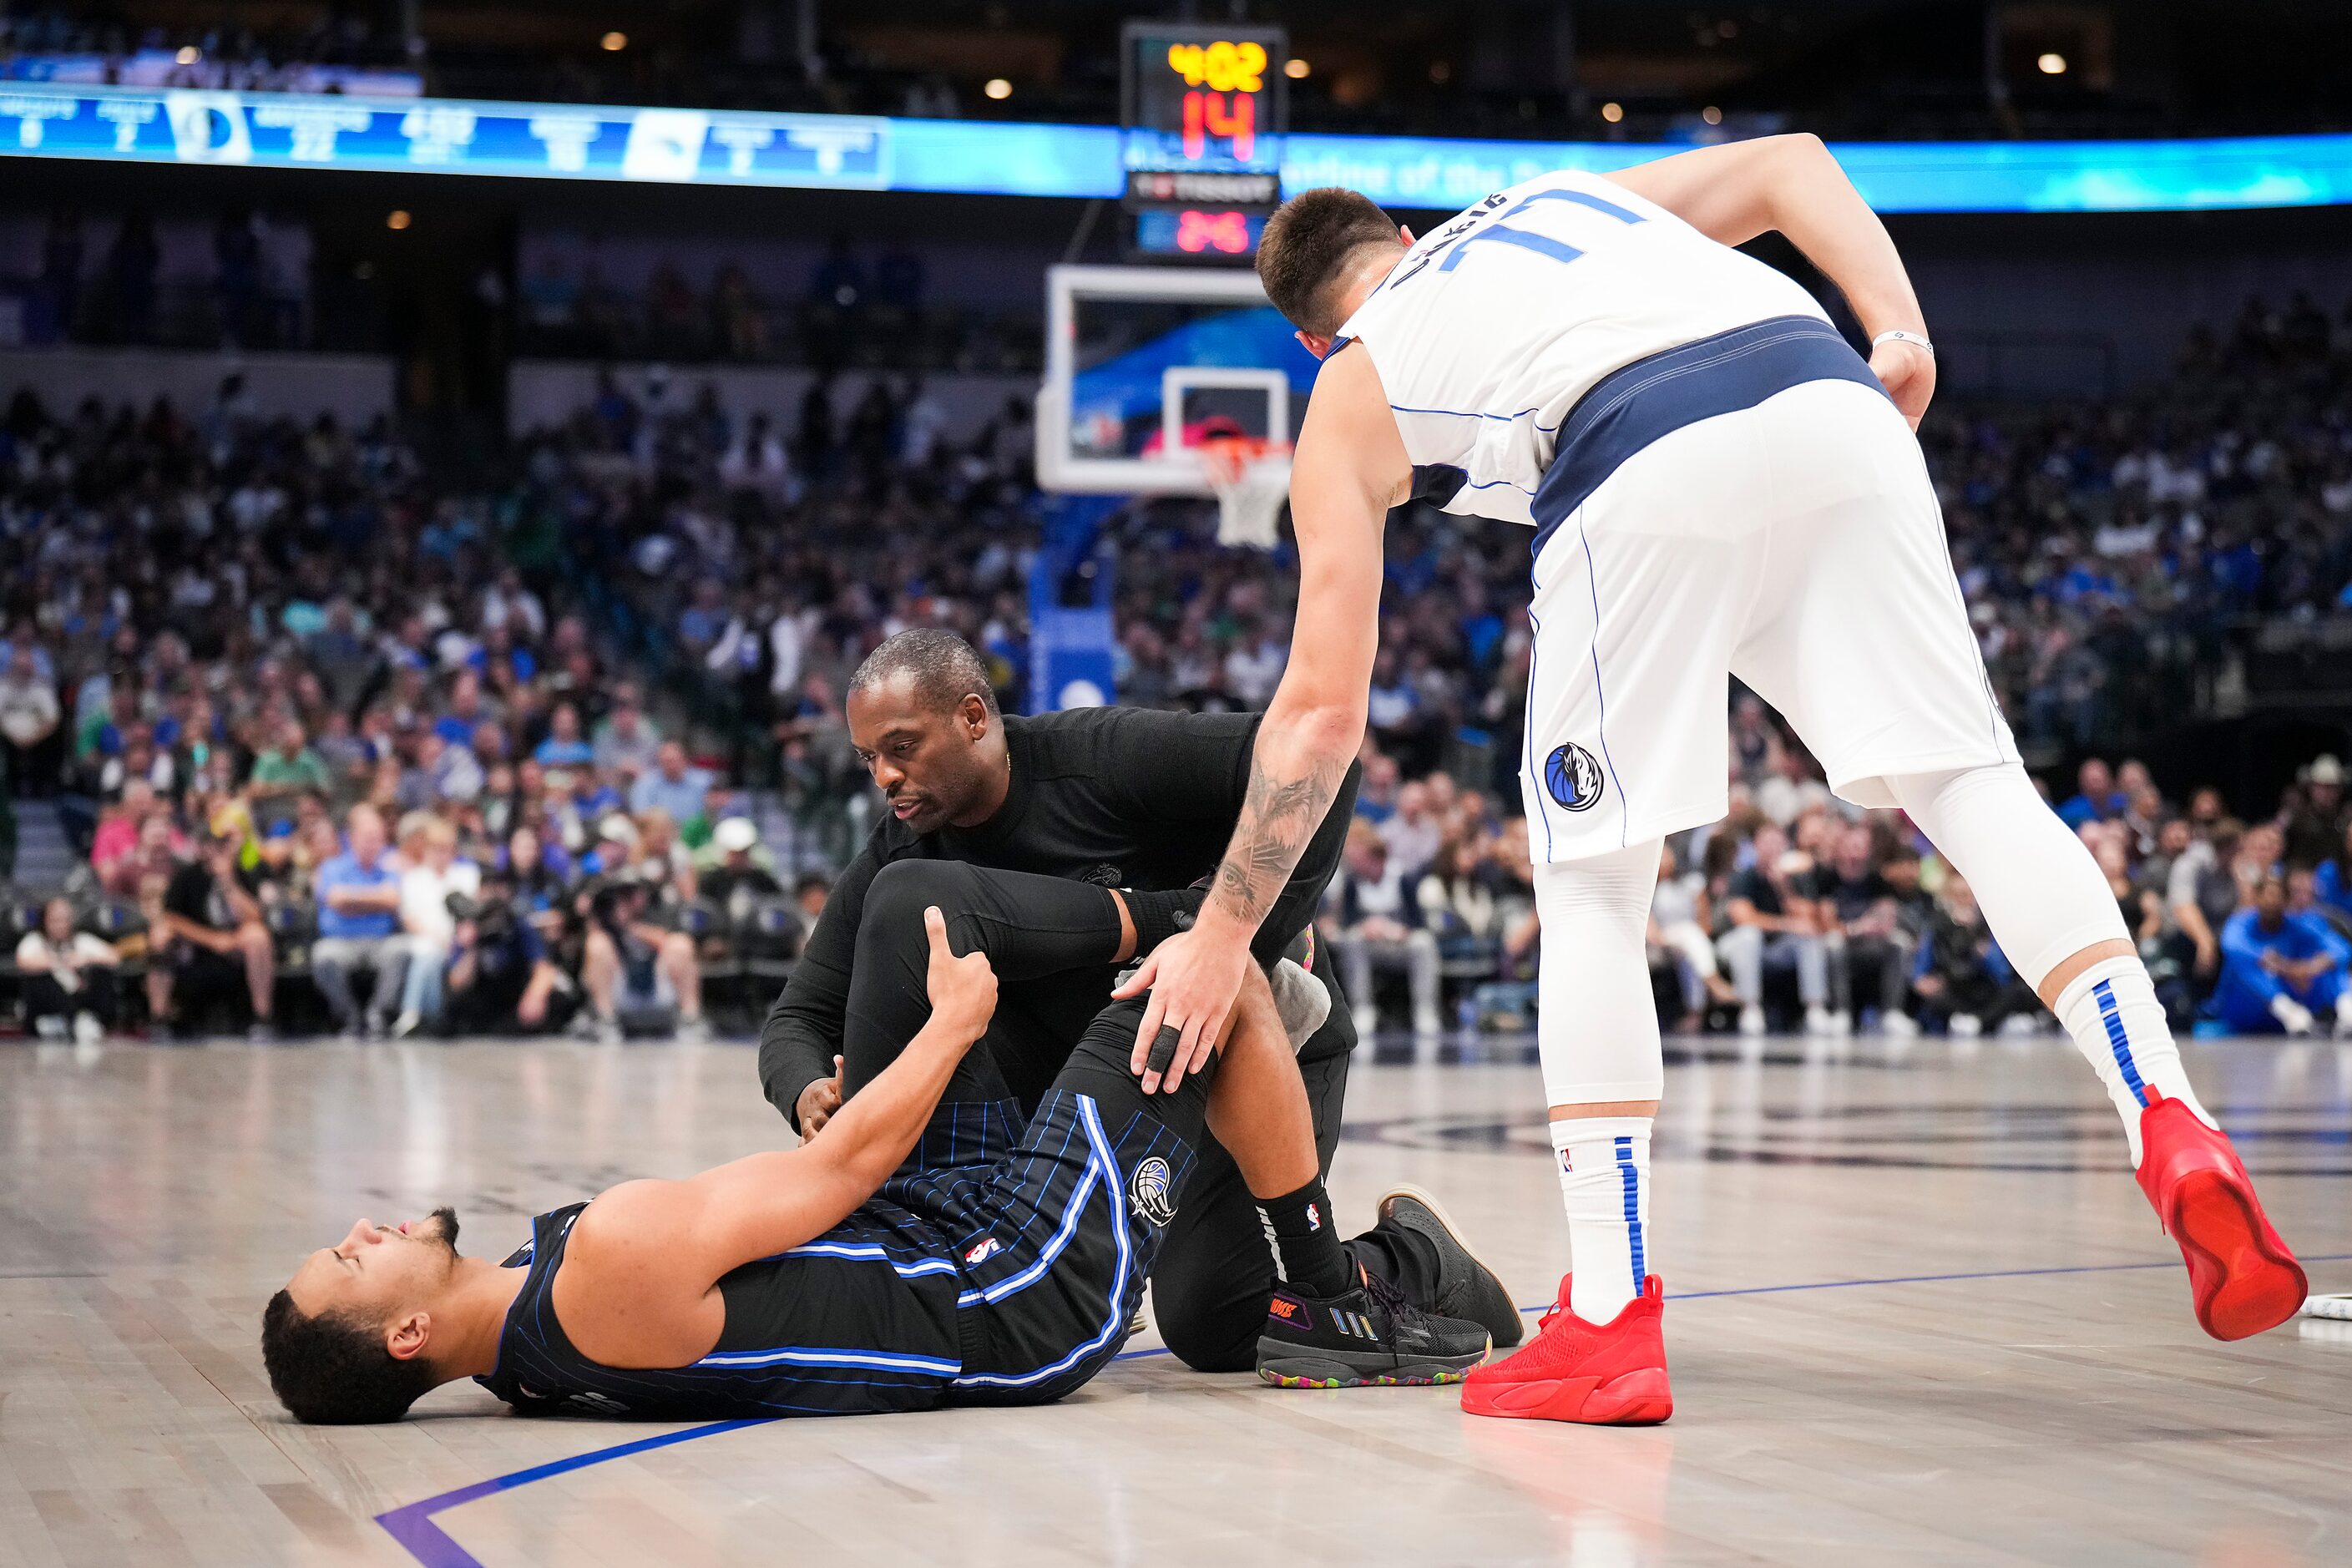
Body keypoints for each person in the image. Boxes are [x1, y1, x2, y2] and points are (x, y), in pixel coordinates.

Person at [1131, 140, 2309, 1427]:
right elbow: (1794, 164)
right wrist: (1899, 328)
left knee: (1588, 889)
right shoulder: (1552, 202)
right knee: (1973, 786)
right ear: (1409, 239)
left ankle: (1609, 1315)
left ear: (1311, 337)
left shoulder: (1354, 383)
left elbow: (1317, 709)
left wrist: (1224, 931)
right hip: (1831, 398)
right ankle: (2165, 1111)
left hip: (1638, 459)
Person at [262, 900, 1485, 1424]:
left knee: (920, 920)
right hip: (1014, 1289)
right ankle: (1340, 1289)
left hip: (940, 1233)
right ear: (405, 1335)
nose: (359, 1231)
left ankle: (1279, 1128)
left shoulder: (529, 1340)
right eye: (347, 1261)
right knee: (1197, 969)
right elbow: (836, 1177)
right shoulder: (597, 1269)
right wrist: (951, 1024)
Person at [759, 630, 1517, 1383]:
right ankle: (978, 1241)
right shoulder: (897, 852)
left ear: (972, 717)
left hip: (1249, 1046)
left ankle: (1415, 1254)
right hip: (1111, 1076)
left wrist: (1225, 941)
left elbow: (1322, 765)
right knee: (1225, 1331)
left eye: (902, 746)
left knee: (1217, 1321)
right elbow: (798, 1017)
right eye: (869, 760)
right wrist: (808, 1093)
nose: (885, 777)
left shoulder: (1100, 756)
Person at [1327, 818, 1444, 1039]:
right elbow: (1347, 921)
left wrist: (1397, 930)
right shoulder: (1354, 882)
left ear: (1376, 859)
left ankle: (1425, 1009)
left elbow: (1418, 922)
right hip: (1371, 945)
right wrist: (1365, 926)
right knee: (1352, 940)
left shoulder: (1403, 879)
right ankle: (1363, 1008)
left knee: (1424, 943)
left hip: (1400, 943)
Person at [156, 831, 276, 1039]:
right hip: (197, 942)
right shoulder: (187, 876)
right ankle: (158, 1019)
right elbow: (172, 918)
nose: (218, 852)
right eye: (213, 846)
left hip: (235, 943)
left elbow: (256, 916)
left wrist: (229, 883)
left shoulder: (244, 873)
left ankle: (262, 1017)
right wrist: (211, 939)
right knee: (160, 936)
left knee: (258, 937)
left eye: (223, 846)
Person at [1716, 823, 1833, 1036]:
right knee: (1749, 936)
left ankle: (1815, 1008)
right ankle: (1750, 1008)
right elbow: (1744, 919)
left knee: (1809, 938)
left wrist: (1783, 888)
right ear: (1756, 846)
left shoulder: (1794, 879)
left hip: (1774, 950)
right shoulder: (1743, 876)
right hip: (1735, 946)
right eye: (1766, 843)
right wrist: (1786, 924)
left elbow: (1809, 921)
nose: (1771, 848)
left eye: (1777, 843)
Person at [2210, 876, 2352, 1037]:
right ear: (2256, 897)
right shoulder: (2241, 922)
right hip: (2245, 1006)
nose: (2271, 902)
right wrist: (2281, 966)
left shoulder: (2297, 924)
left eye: (2277, 896)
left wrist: (2309, 968)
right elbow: (2231, 945)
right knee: (2246, 966)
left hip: (2288, 1010)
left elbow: (2342, 949)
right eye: (2266, 896)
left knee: (2331, 965)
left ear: (2286, 900)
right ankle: (2286, 1010)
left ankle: (2347, 1010)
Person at [311, 804, 408, 1039]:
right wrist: (376, 899)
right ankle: (349, 1016)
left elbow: (392, 899)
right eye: (368, 837)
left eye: (378, 838)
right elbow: (336, 899)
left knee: (401, 950)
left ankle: (378, 1015)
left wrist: (352, 900)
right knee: (323, 956)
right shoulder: (332, 867)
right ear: (352, 838)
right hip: (340, 942)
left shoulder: (389, 869)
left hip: (379, 942)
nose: (373, 843)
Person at [576, 877, 707, 1042]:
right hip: (622, 994)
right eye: (623, 894)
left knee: (681, 944)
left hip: (657, 990)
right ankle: (605, 1020)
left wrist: (630, 927)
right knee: (596, 944)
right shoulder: (605, 917)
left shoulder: (660, 910)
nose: (629, 899)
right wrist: (602, 919)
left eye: (632, 893)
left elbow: (667, 940)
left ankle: (691, 1019)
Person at [16, 897, 120, 1043]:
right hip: (48, 1001)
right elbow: (23, 961)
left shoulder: (80, 940)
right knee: (39, 978)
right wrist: (58, 962)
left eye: (65, 920)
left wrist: (85, 959)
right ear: (44, 921)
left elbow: (114, 957)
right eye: (55, 920)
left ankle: (90, 1021)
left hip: (78, 996)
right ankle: (59, 1022)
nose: (61, 925)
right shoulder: (35, 940)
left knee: (102, 974)